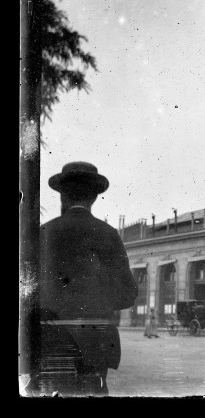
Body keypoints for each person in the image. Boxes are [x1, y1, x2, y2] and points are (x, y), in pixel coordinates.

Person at [39, 161, 138, 396]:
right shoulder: (108, 234)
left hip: (48, 340)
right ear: (94, 197)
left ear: (62, 196)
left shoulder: (42, 232)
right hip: (95, 342)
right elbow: (128, 294)